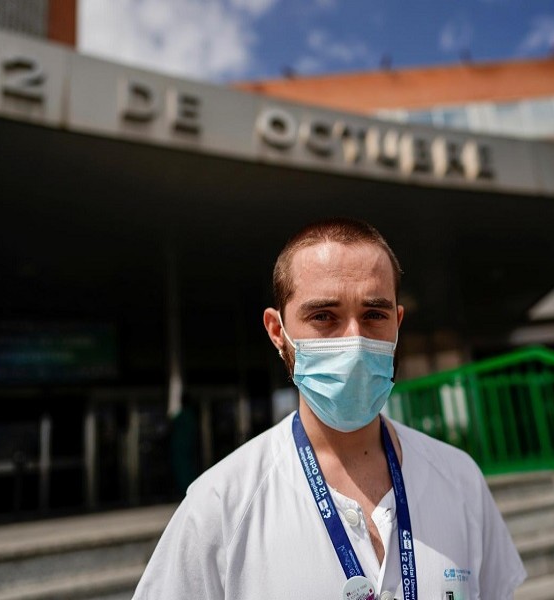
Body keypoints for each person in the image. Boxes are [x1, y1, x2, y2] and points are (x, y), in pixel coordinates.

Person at [133, 218, 526, 600]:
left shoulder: (460, 481)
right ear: (277, 332)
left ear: (397, 323)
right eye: (324, 316)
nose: (354, 342)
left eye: (374, 314)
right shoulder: (220, 507)